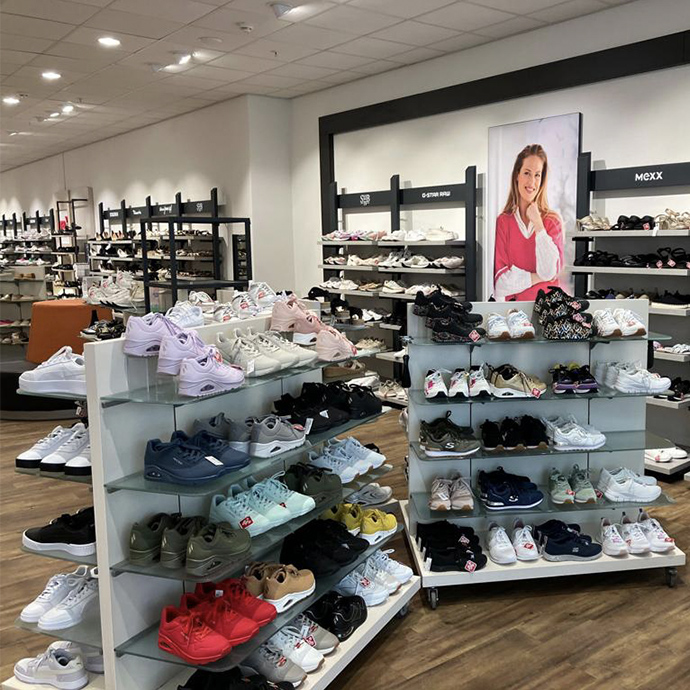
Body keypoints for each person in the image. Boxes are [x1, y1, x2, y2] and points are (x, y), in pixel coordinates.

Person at [493, 143, 564, 301]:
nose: (532, 181)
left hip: (548, 310)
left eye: (537, 175)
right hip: (513, 311)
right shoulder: (503, 221)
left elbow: (549, 271)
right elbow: (501, 282)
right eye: (527, 173)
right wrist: (539, 277)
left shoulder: (552, 221)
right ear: (517, 175)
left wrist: (539, 225)